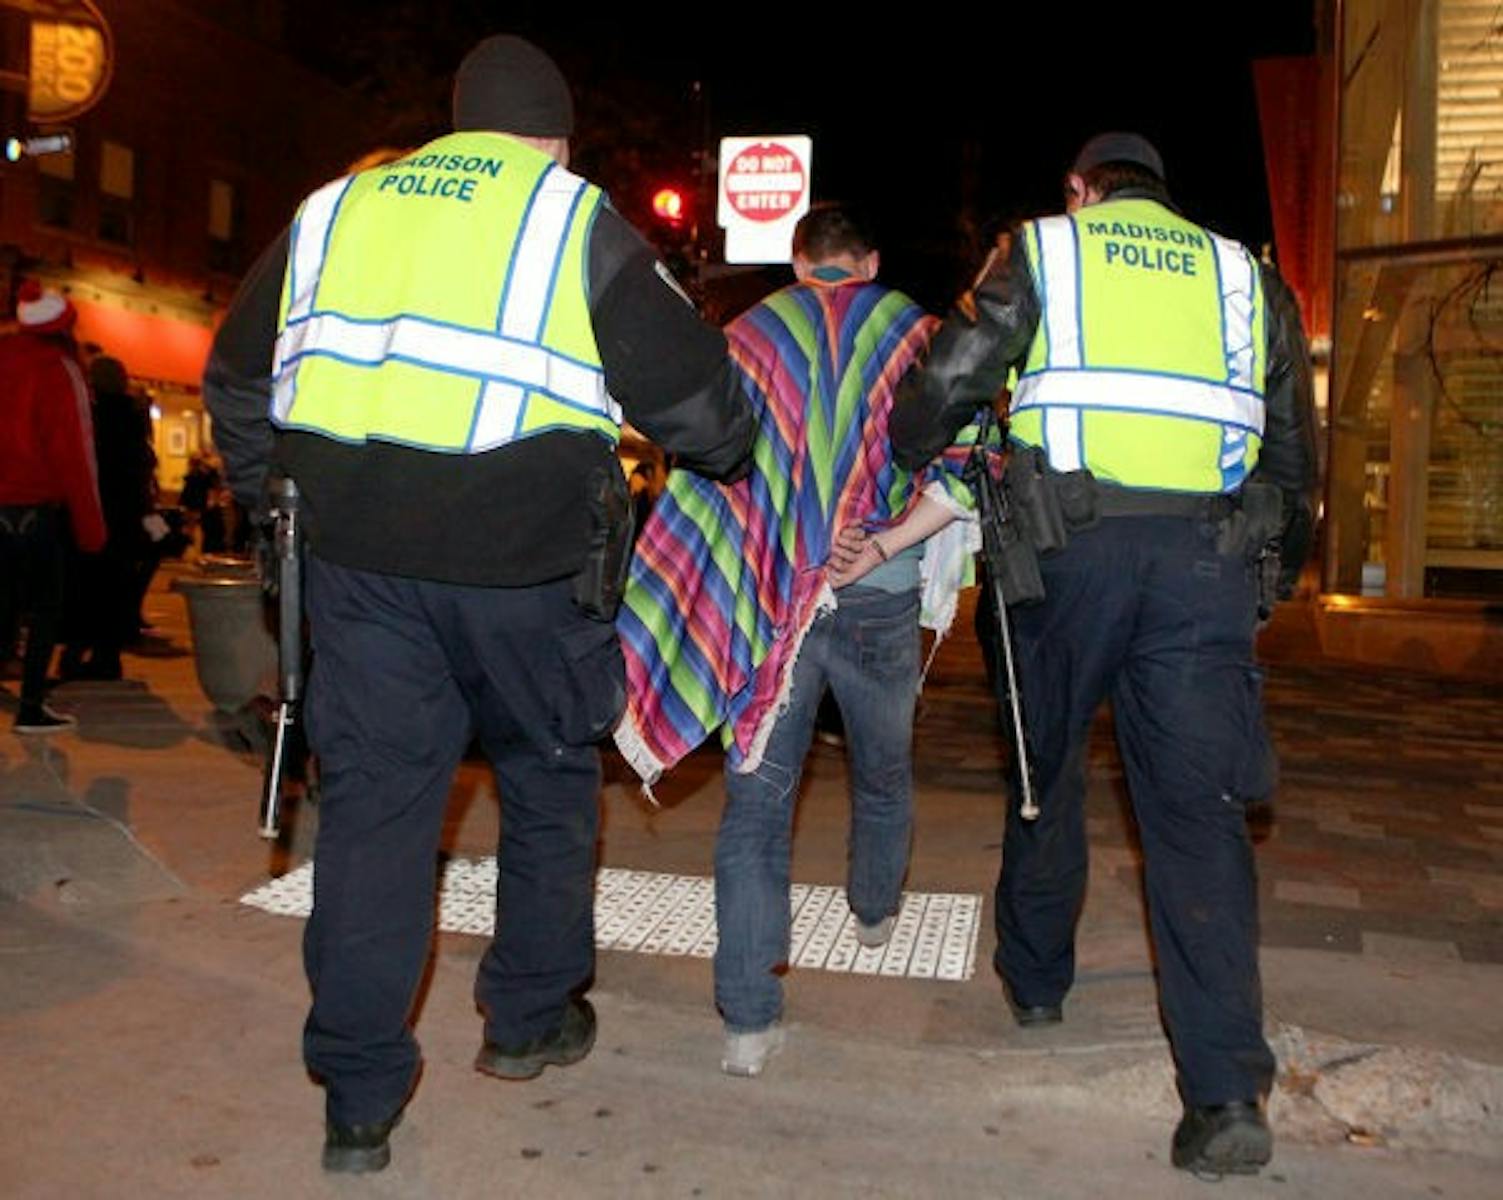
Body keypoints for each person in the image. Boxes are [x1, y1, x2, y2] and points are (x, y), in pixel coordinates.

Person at [202, 35, 754, 1174]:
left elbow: (236, 376)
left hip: (358, 577)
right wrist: (728, 446)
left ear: (457, 125)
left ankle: (358, 1100)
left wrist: (276, 508)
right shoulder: (570, 218)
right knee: (547, 781)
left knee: (373, 819)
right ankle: (527, 1019)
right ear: (556, 142)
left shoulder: (331, 212)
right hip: (525, 577)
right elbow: (705, 412)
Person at [889, 132, 1318, 1177]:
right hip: (1202, 567)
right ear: (1163, 196)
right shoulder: (1243, 276)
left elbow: (948, 376)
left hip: (1064, 559)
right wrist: (1271, 583)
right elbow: (1293, 457)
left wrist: (912, 445)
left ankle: (1037, 981)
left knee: (1046, 772)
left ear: (1081, 190)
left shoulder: (1043, 249)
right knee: (1198, 819)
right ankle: (1223, 1095)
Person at [613, 203, 981, 1079]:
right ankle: (874, 909)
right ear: (869, 261)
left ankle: (746, 1021)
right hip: (879, 596)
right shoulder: (918, 336)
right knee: (882, 770)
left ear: (797, 261)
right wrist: (881, 544)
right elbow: (968, 467)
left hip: (770, 604)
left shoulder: (749, 336)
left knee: (755, 806)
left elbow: (706, 464)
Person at [0, 281, 107, 732]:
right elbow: (75, 455)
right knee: (44, 607)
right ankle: (30, 705)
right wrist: (91, 530)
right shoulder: (59, 370)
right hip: (33, 509)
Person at [60, 355, 163, 681]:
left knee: (87, 582)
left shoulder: (90, 415)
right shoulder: (133, 416)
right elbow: (143, 465)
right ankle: (107, 653)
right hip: (127, 513)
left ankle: (79, 649)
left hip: (94, 508)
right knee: (117, 583)